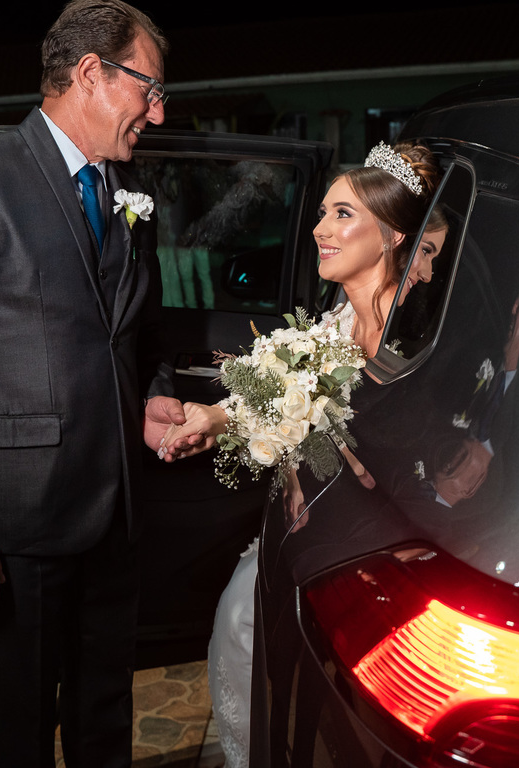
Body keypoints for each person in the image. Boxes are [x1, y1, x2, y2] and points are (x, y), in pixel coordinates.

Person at [0, 0, 198, 768]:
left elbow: (138, 332)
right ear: (92, 73)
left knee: (105, 719)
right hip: (14, 522)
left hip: (116, 513)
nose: (156, 114)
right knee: (20, 728)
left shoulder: (132, 199)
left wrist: (155, 389)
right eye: (149, 89)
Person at [163, 142, 443, 768]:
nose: (320, 230)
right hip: (305, 526)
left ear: (394, 235)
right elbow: (290, 389)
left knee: (249, 623)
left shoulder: (416, 335)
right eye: (322, 212)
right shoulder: (338, 318)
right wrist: (213, 415)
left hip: (363, 543)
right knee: (241, 619)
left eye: (342, 215)